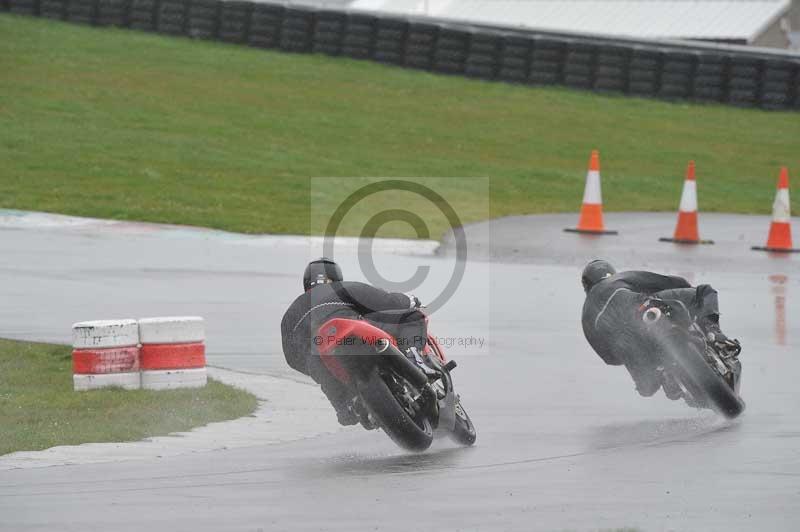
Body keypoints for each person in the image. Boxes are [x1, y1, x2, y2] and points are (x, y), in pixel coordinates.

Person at [281, 257, 425, 425]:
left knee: (313, 362)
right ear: (336, 277)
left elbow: (292, 358)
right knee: (412, 317)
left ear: (307, 282)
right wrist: (409, 300)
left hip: (327, 355)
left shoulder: (291, 313)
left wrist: (316, 369)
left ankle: (345, 406)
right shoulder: (341, 288)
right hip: (357, 336)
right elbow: (385, 301)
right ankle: (416, 360)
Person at [580, 259, 740, 399]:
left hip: (628, 347)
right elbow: (668, 281)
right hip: (640, 311)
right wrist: (685, 286)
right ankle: (714, 333)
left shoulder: (585, 317)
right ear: (610, 272)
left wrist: (628, 354)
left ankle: (666, 376)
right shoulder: (617, 279)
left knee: (647, 387)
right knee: (704, 292)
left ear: (586, 286)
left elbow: (609, 359)